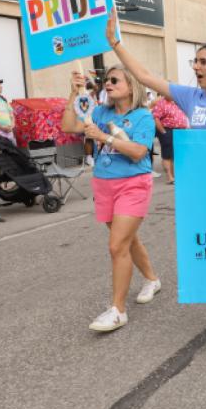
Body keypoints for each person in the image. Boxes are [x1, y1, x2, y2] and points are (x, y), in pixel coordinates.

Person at [105, 10, 206, 353]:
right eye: (194, 61)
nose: (195, 67)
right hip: (199, 189)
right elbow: (147, 76)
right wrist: (116, 44)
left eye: (203, 62)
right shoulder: (191, 98)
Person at [61, 66, 160, 332]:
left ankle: (118, 310)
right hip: (103, 184)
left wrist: (104, 136)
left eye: (114, 80)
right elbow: (68, 125)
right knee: (127, 239)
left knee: (117, 245)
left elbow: (139, 152)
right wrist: (73, 94)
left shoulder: (143, 116)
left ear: (131, 85)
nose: (108, 84)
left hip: (133, 184)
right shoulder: (100, 112)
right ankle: (152, 279)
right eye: (106, 80)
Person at [150, 95, 188, 184]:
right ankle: (170, 177)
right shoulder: (161, 103)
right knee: (168, 154)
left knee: (178, 154)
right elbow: (156, 118)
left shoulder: (176, 102)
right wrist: (163, 132)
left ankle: (176, 175)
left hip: (179, 131)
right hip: (168, 130)